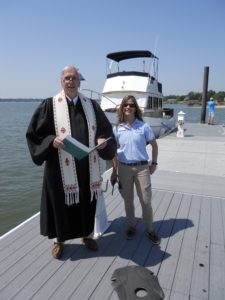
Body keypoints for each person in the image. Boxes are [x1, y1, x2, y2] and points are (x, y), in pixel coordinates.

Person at [26, 65, 117, 259]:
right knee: (60, 205)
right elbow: (35, 134)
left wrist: (101, 140)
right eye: (67, 78)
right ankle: (59, 240)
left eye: (74, 78)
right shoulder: (50, 105)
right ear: (61, 81)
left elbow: (105, 130)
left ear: (79, 82)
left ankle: (87, 235)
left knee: (86, 203)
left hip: (87, 166)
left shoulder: (91, 105)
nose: (70, 81)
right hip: (60, 167)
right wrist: (52, 141)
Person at [110, 95, 161, 244]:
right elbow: (113, 150)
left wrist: (154, 163)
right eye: (125, 104)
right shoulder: (117, 128)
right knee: (128, 200)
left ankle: (150, 230)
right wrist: (114, 170)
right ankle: (131, 226)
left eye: (131, 105)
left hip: (142, 168)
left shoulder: (143, 126)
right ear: (122, 107)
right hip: (124, 168)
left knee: (146, 200)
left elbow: (154, 145)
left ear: (135, 108)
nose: (128, 107)